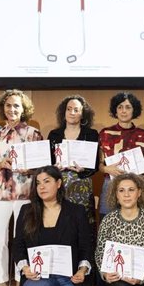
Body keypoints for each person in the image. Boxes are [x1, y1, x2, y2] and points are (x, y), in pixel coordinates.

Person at [13, 166, 94, 286]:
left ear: (58, 183)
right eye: (38, 183)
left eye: (47, 181)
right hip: (40, 276)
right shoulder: (26, 211)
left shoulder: (76, 211)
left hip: (70, 277)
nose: (41, 187)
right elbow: (18, 245)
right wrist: (25, 267)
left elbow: (87, 245)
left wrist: (82, 270)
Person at [0, 89, 43, 286]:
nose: (12, 109)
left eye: (16, 105)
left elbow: (43, 168)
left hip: (24, 194)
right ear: (3, 109)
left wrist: (29, 169)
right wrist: (1, 164)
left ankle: (21, 284)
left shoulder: (33, 134)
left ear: (23, 109)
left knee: (23, 240)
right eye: (8, 105)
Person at [95, 92, 144, 286]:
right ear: (115, 110)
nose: (124, 111)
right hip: (110, 186)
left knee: (135, 234)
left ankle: (134, 285)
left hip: (136, 187)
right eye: (120, 107)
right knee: (106, 237)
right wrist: (106, 168)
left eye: (128, 107)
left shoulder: (143, 134)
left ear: (134, 110)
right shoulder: (104, 133)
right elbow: (99, 165)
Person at [48, 95, 100, 226]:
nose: (72, 113)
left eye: (76, 110)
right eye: (68, 109)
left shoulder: (91, 134)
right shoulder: (54, 135)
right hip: (59, 186)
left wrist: (83, 170)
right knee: (60, 224)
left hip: (82, 185)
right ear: (63, 112)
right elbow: (47, 163)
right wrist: (54, 168)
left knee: (83, 224)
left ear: (83, 114)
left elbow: (95, 165)